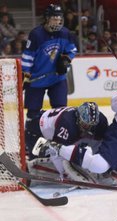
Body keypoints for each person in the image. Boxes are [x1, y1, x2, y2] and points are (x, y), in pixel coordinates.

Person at [21, 4, 77, 160]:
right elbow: (27, 56)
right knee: (32, 114)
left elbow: (72, 49)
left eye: (59, 18)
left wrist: (65, 60)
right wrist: (25, 75)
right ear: (46, 18)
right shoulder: (36, 35)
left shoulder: (65, 33)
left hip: (56, 79)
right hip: (37, 80)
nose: (57, 22)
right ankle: (30, 144)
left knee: (61, 112)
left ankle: (60, 143)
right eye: (54, 18)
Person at [27, 102, 109, 180]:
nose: (88, 128)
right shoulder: (67, 124)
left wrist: (103, 161)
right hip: (36, 131)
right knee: (55, 154)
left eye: (91, 125)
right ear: (78, 117)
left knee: (94, 140)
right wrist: (65, 174)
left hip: (57, 129)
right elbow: (56, 150)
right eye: (85, 124)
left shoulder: (100, 121)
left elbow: (102, 142)